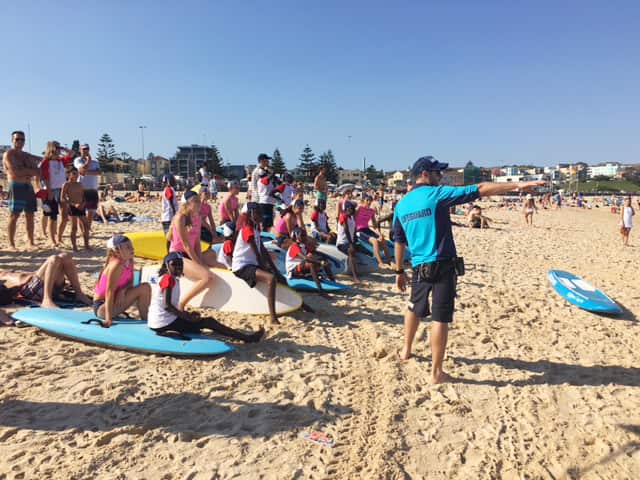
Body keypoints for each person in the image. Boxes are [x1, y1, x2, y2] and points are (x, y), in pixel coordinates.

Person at [393, 155, 545, 383]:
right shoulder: (436, 194)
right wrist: (518, 185)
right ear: (424, 174)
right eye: (437, 173)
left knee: (414, 307)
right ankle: (436, 372)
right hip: (442, 264)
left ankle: (406, 350)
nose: (441, 176)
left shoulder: (401, 205)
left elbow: (399, 240)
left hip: (418, 266)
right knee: (440, 318)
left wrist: (398, 271)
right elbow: (481, 189)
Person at [147, 252, 264, 342]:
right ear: (166, 265)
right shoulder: (168, 279)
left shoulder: (167, 277)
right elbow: (167, 306)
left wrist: (187, 315)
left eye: (180, 264)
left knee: (196, 318)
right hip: (163, 323)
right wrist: (185, 316)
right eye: (174, 264)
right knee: (209, 322)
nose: (178, 267)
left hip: (158, 321)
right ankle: (248, 338)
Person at [168, 191, 221, 309]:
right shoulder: (180, 218)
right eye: (196, 201)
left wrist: (200, 260)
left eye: (199, 200)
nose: (199, 203)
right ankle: (181, 304)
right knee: (207, 277)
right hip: (177, 255)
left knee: (216, 261)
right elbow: (186, 245)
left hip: (189, 253)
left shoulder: (196, 217)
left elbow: (196, 243)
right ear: (187, 203)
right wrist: (199, 263)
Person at [232, 202, 283, 325]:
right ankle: (273, 318)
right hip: (242, 266)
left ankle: (304, 305)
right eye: (258, 213)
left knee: (278, 276)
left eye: (261, 212)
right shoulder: (247, 229)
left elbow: (263, 250)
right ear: (250, 214)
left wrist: (276, 271)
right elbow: (257, 253)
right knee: (271, 279)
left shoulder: (255, 228)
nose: (261, 215)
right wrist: (267, 271)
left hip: (251, 264)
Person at [93, 235, 150, 327]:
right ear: (117, 251)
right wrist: (108, 319)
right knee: (144, 288)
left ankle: (146, 319)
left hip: (115, 301)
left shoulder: (129, 260)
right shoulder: (117, 265)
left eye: (131, 246)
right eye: (128, 247)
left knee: (145, 287)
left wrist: (122, 291)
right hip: (102, 307)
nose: (132, 249)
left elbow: (130, 284)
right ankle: (146, 321)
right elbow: (109, 292)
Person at [0, 252, 91, 309]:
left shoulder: (7, 272)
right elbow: (8, 291)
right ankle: (46, 299)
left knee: (65, 256)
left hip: (42, 284)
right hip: (29, 289)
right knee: (53, 259)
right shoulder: (4, 278)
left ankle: (79, 294)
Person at [3, 131, 42, 249]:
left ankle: (31, 241)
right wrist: (29, 170)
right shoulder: (9, 154)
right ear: (12, 140)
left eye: (22, 139)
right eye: (17, 139)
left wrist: (25, 170)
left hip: (28, 186)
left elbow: (39, 168)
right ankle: (11, 243)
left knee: (30, 214)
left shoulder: (26, 155)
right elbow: (15, 171)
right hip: (16, 185)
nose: (20, 142)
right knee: (14, 215)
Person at [40, 141, 75, 248]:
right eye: (57, 147)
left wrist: (64, 149)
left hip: (62, 189)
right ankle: (52, 239)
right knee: (53, 216)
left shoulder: (61, 161)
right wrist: (49, 190)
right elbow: (45, 178)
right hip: (51, 190)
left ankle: (59, 237)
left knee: (65, 216)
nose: (59, 149)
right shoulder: (46, 161)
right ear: (52, 148)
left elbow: (72, 154)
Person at [286, 227, 330, 296]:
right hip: (292, 271)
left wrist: (326, 260)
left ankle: (333, 281)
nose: (305, 237)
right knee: (311, 264)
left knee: (321, 260)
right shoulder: (294, 246)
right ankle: (320, 291)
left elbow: (315, 253)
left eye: (305, 235)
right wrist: (320, 263)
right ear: (296, 237)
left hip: (300, 266)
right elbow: (305, 258)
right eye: (302, 235)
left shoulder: (303, 246)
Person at [355, 194, 392, 266]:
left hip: (366, 229)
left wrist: (380, 234)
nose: (368, 202)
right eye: (367, 200)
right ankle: (380, 263)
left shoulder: (371, 211)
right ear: (363, 201)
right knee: (374, 241)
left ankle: (389, 261)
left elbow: (374, 225)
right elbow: (351, 216)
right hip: (358, 230)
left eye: (370, 201)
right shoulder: (359, 208)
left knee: (382, 240)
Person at [73, 143, 101, 234]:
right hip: (81, 189)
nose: (85, 150)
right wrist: (88, 162)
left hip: (93, 189)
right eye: (83, 149)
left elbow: (99, 172)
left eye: (87, 149)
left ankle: (87, 229)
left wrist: (86, 171)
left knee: (91, 212)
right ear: (80, 150)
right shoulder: (78, 160)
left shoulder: (95, 162)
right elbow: (81, 169)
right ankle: (82, 230)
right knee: (81, 212)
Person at [60, 166, 90, 250]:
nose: (76, 175)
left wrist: (83, 203)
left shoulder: (80, 184)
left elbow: (83, 196)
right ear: (69, 174)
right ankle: (74, 246)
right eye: (74, 173)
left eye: (77, 173)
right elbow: (62, 198)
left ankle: (86, 245)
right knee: (74, 227)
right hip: (72, 207)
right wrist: (73, 204)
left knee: (86, 225)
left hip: (81, 206)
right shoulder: (66, 184)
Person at [336, 201, 361, 283]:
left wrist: (355, 240)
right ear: (346, 209)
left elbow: (353, 231)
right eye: (351, 208)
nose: (353, 210)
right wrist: (351, 244)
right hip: (342, 243)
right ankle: (355, 277)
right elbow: (346, 229)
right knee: (351, 251)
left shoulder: (351, 218)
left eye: (353, 208)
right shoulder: (343, 216)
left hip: (350, 241)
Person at [161, 174, 179, 252]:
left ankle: (170, 252)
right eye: (172, 179)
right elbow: (171, 201)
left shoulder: (169, 189)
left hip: (168, 217)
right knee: (170, 237)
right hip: (169, 217)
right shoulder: (169, 189)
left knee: (171, 237)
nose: (174, 181)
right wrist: (175, 214)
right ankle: (168, 253)